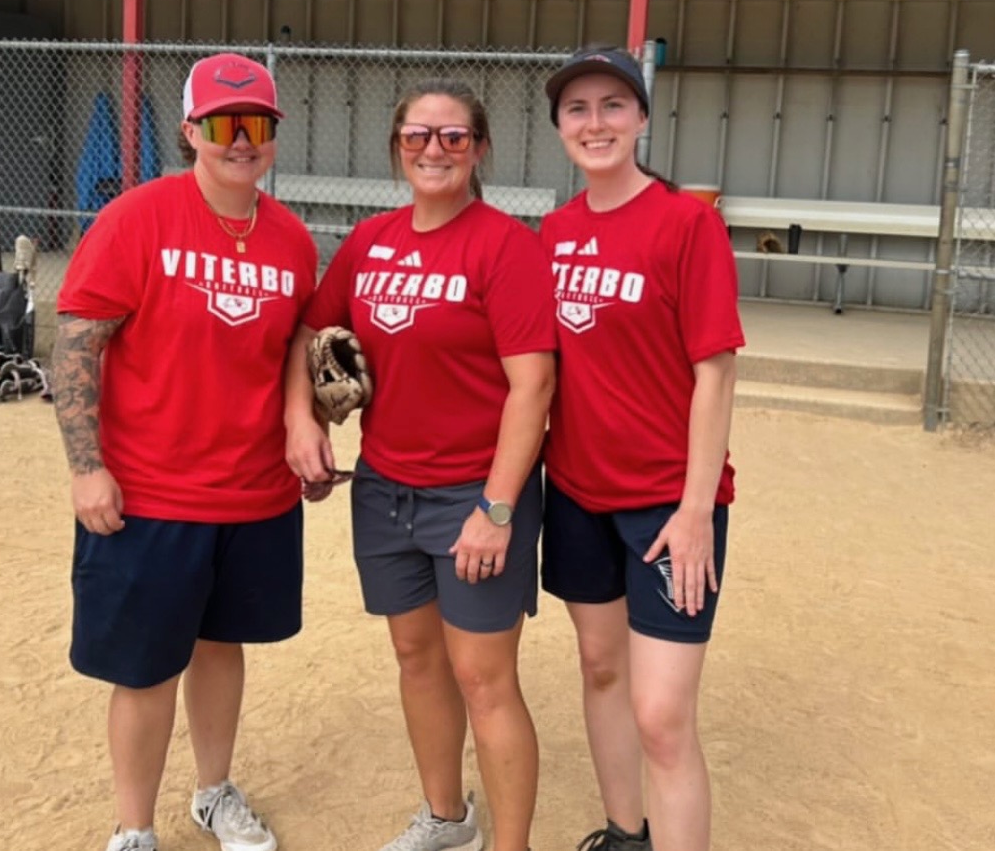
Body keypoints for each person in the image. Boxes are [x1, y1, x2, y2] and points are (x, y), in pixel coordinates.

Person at [52, 52, 318, 851]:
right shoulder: (138, 217)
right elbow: (76, 343)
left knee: (220, 643)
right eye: (225, 125)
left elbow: (292, 355)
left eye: (258, 126)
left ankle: (214, 791)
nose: (243, 142)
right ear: (191, 130)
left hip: (252, 491)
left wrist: (307, 430)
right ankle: (134, 828)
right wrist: (85, 465)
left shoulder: (293, 240)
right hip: (151, 493)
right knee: (142, 667)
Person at [286, 79, 557, 851]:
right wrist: (297, 421)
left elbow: (533, 385)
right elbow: (310, 335)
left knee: (485, 677)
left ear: (478, 150)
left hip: (474, 492)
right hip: (386, 488)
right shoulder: (371, 242)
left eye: (453, 137)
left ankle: (512, 847)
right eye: (417, 136)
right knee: (416, 656)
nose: (434, 150)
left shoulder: (505, 245)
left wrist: (497, 509)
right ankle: (448, 819)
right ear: (396, 145)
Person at [538, 47, 745, 851]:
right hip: (580, 495)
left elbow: (716, 374)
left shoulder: (686, 222)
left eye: (613, 106)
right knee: (601, 672)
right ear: (560, 129)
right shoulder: (552, 234)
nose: (596, 123)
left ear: (642, 119)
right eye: (578, 109)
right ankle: (627, 835)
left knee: (662, 715)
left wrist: (696, 511)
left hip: (668, 504)